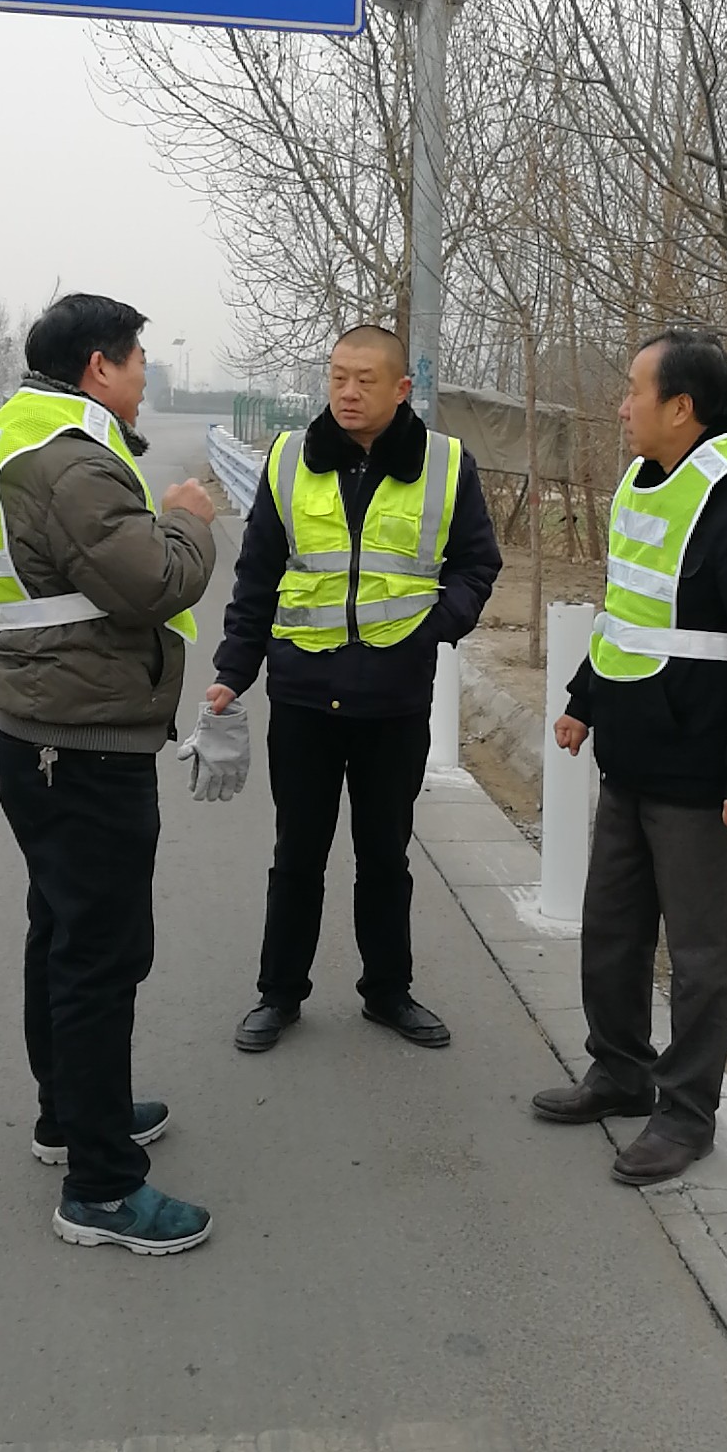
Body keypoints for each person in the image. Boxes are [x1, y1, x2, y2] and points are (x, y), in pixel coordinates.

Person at [0, 292, 218, 1254]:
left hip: (37, 727)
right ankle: (103, 1188)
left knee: (62, 934)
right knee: (101, 958)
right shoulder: (69, 459)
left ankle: (70, 1116)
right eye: (138, 360)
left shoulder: (21, 430)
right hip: (81, 743)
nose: (146, 376)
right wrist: (188, 521)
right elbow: (151, 580)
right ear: (99, 367)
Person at [531, 328, 727, 1185]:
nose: (622, 407)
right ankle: (620, 1072)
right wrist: (584, 701)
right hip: (632, 756)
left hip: (704, 776)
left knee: (699, 960)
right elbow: (630, 612)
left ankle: (686, 1115)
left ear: (682, 407)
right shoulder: (644, 483)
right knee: (613, 933)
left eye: (635, 391)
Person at [205, 324, 501, 1052]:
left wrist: (435, 627)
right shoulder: (288, 460)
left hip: (393, 701)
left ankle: (388, 992)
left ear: (402, 389)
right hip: (304, 695)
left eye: (366, 380)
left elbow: (476, 564)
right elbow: (258, 575)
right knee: (296, 854)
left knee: (385, 857)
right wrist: (232, 673)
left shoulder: (445, 465)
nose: (348, 392)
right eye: (338, 377)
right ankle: (278, 994)